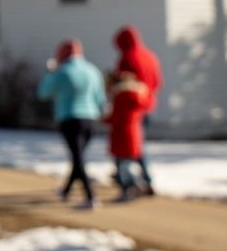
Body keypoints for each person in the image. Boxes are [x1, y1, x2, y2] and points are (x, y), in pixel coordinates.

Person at [37, 39, 107, 210]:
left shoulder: (62, 71)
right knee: (78, 158)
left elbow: (43, 92)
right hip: (91, 119)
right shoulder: (92, 70)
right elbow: (100, 98)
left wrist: (50, 73)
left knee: (78, 159)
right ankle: (66, 191)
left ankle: (91, 197)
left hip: (70, 118)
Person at [113, 24, 161, 195]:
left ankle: (127, 181)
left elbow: (124, 85)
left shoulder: (127, 58)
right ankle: (146, 179)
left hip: (130, 108)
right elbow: (157, 82)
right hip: (146, 106)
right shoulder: (150, 56)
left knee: (125, 145)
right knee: (137, 144)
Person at [106, 71, 149, 202]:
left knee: (123, 165)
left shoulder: (122, 96)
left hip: (122, 134)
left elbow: (116, 117)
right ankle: (139, 184)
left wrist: (105, 119)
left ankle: (130, 188)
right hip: (134, 133)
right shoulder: (139, 94)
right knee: (128, 163)